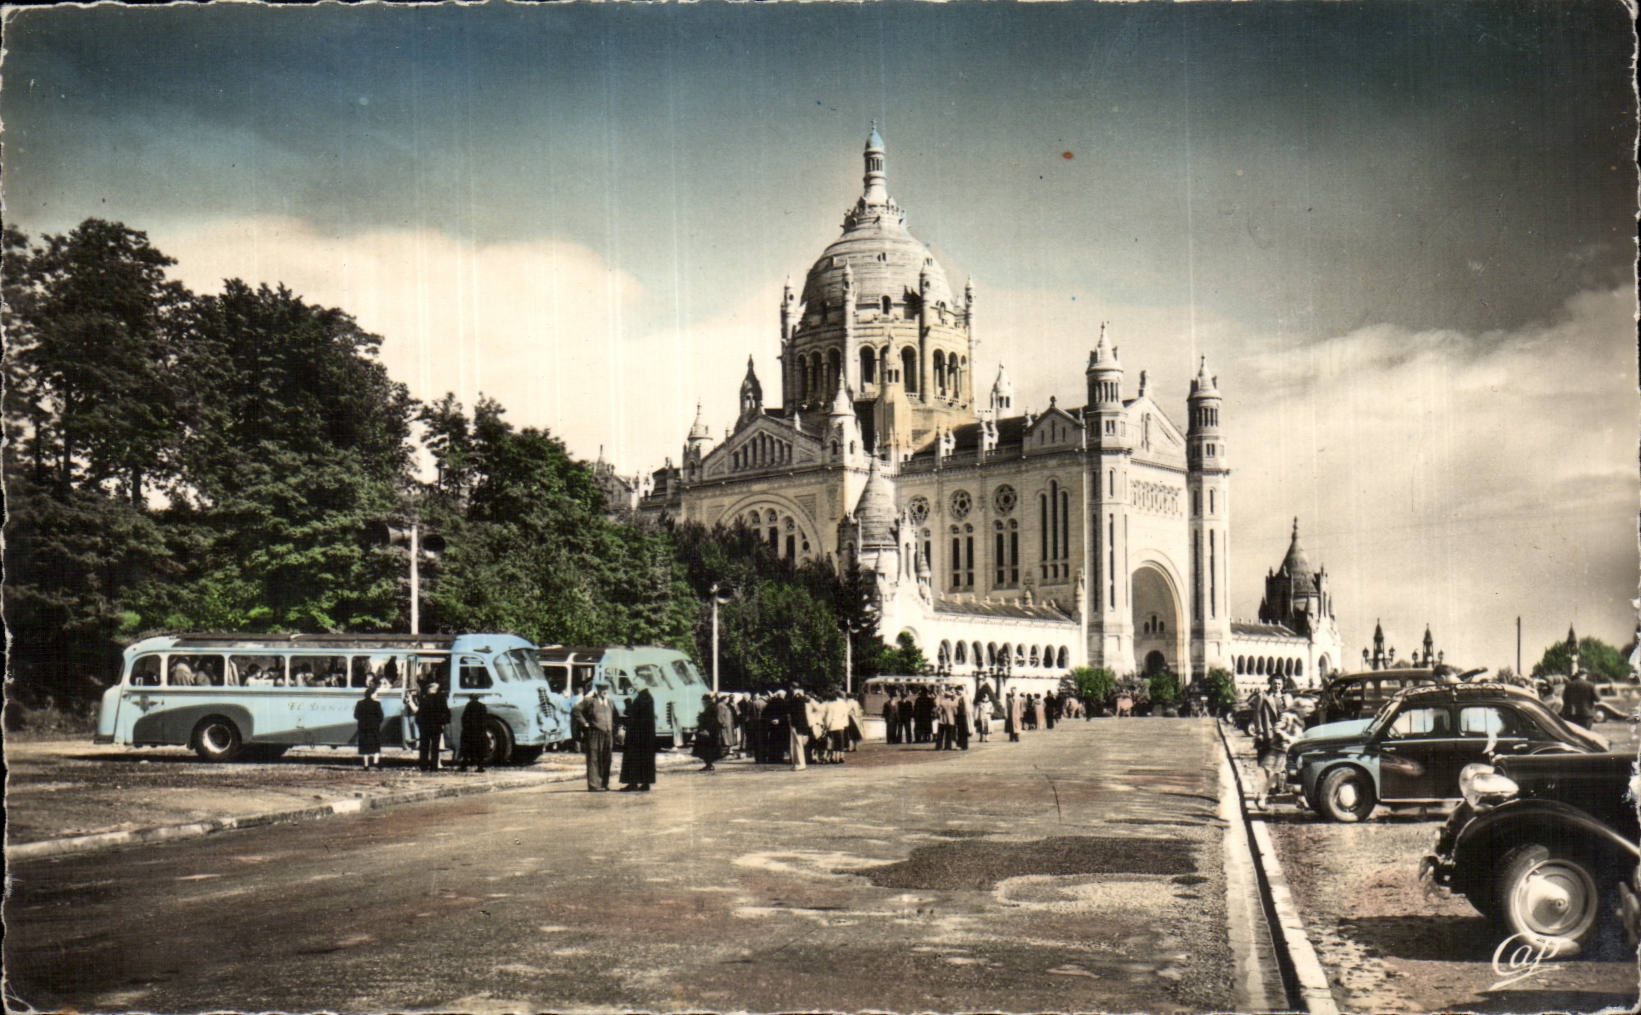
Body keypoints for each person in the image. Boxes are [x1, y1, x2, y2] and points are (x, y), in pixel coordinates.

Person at [1254, 709, 1306, 809]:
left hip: (1294, 750)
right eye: (1307, 707)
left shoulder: (1301, 720)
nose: (1310, 710)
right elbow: (1277, 729)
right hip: (1284, 750)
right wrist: (1288, 738)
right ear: (1298, 706)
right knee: (1277, 775)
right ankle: (1261, 797)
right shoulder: (1288, 716)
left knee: (1294, 775)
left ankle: (1301, 800)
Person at [572, 682, 617, 791]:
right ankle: (594, 785)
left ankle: (604, 784)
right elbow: (576, 710)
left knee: (606, 759)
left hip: (607, 734)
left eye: (606, 689)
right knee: (594, 758)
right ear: (597, 690)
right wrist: (584, 723)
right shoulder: (590, 701)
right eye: (602, 690)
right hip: (594, 734)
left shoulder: (610, 702)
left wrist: (614, 729)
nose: (604, 692)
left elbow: (615, 716)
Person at [620, 688, 658, 790]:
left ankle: (633, 783)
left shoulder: (642, 698)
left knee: (633, 758)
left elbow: (633, 713)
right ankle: (645, 783)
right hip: (646, 736)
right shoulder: (648, 697)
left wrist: (627, 702)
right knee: (645, 759)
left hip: (637, 735)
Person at [414, 679, 451, 771]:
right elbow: (446, 713)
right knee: (435, 748)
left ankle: (423, 766)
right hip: (436, 726)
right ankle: (434, 766)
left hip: (425, 727)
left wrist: (419, 724)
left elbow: (419, 714)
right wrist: (443, 723)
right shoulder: (441, 699)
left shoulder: (424, 699)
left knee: (424, 747)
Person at [354, 679, 384, 769]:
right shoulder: (377, 704)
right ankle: (376, 761)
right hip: (374, 728)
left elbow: (356, 715)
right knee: (376, 745)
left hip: (363, 728)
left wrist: (362, 721)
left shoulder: (359, 703)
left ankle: (366, 764)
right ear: (372, 694)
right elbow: (381, 716)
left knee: (364, 746)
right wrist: (376, 723)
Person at [456, 696, 491, 773]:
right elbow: (485, 719)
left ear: (470, 699)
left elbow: (464, 718)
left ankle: (464, 766)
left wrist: (465, 727)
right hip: (479, 731)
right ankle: (480, 767)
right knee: (480, 750)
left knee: (466, 750)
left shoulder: (469, 705)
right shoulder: (482, 706)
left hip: (469, 731)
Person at [694, 693, 722, 771]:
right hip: (710, 731)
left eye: (703, 701)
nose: (702, 703)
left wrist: (707, 729)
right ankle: (709, 764)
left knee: (707, 749)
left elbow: (711, 720)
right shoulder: (711, 707)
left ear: (706, 701)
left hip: (709, 732)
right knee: (708, 749)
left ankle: (709, 764)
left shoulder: (711, 708)